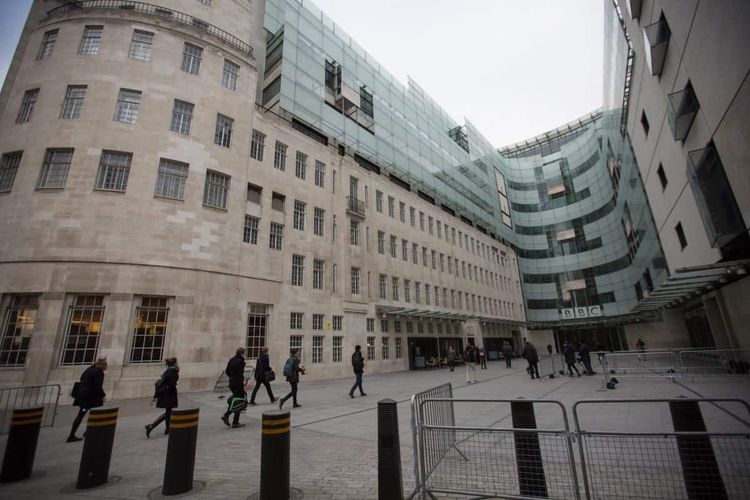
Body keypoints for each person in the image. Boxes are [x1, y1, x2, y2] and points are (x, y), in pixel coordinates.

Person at [68, 355, 107, 442]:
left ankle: (74, 434)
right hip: (91, 397)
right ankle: (84, 433)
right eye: (105, 364)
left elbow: (81, 378)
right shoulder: (99, 372)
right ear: (103, 364)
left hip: (83, 396)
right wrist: (103, 396)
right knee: (96, 414)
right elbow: (98, 386)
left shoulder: (90, 369)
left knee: (81, 415)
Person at [145, 357, 179, 438]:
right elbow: (171, 383)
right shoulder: (173, 371)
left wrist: (155, 396)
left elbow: (163, 382)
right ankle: (151, 426)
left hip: (165, 393)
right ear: (175, 363)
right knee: (168, 412)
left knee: (168, 411)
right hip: (169, 393)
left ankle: (167, 429)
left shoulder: (168, 371)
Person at [222, 347, 247, 428]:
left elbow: (227, 371)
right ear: (242, 353)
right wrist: (241, 387)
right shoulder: (240, 361)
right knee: (239, 401)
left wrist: (232, 377)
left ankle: (228, 416)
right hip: (238, 384)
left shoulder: (232, 360)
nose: (244, 355)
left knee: (236, 400)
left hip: (232, 383)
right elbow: (240, 375)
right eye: (244, 353)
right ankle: (234, 421)